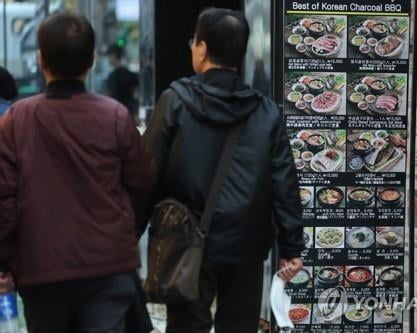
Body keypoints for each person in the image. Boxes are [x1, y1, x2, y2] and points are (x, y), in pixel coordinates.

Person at [136, 8, 304, 333]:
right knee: (240, 326)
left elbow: (146, 174)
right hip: (248, 243)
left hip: (188, 242)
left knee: (187, 327)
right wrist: (291, 246)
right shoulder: (265, 112)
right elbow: (284, 181)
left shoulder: (175, 101)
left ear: (201, 48)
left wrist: (129, 235)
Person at [0, 12, 156, 333]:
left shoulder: (17, 120)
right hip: (109, 269)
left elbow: (5, 199)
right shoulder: (114, 116)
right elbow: (144, 182)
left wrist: (4, 262)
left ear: (41, 60)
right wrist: (126, 233)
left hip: (41, 270)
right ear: (92, 60)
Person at [106, 44, 139, 118]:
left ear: (114, 56)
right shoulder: (131, 75)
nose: (108, 59)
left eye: (109, 56)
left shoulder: (111, 77)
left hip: (116, 114)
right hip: (128, 113)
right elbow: (136, 96)